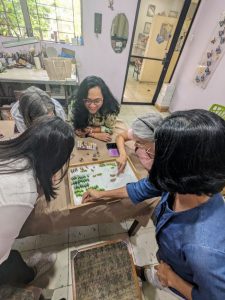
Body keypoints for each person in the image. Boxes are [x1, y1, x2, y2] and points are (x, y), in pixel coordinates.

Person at [82, 109, 225, 300]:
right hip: (169, 259)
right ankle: (145, 273)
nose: (144, 155)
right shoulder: (182, 184)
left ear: (181, 165)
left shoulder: (204, 250)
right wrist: (101, 194)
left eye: (151, 151)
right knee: (155, 271)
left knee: (161, 275)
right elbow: (142, 188)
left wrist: (173, 280)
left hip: (180, 278)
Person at [0, 116, 74, 286]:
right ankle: (30, 274)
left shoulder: (9, 146)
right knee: (11, 264)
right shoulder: (24, 190)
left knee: (14, 258)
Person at [72, 76, 120, 142]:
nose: (92, 106)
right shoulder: (75, 104)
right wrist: (94, 134)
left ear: (104, 98)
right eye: (87, 100)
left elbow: (110, 129)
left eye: (97, 101)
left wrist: (90, 130)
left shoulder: (110, 107)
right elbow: (74, 128)